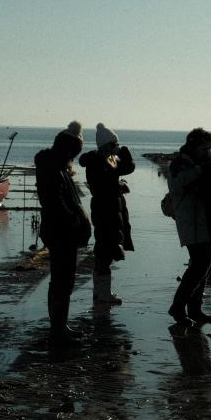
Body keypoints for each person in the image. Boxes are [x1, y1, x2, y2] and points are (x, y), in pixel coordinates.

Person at [166, 129, 211, 325]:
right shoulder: (180, 163)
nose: (207, 152)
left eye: (209, 148)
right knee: (200, 264)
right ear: (192, 146)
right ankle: (178, 307)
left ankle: (195, 310)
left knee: (207, 265)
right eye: (203, 148)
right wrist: (201, 170)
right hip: (195, 220)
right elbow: (176, 186)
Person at [34, 121, 91, 343]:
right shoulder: (54, 169)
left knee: (62, 280)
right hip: (61, 231)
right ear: (69, 149)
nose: (75, 157)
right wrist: (75, 219)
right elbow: (54, 202)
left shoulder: (55, 166)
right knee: (62, 280)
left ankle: (59, 327)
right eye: (75, 152)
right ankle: (58, 330)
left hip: (59, 230)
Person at [78, 123, 135, 306]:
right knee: (105, 250)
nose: (115, 149)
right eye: (113, 145)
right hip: (105, 210)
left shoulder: (107, 160)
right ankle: (102, 295)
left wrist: (117, 181)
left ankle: (102, 294)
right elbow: (109, 180)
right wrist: (117, 183)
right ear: (106, 145)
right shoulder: (98, 161)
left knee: (107, 251)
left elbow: (122, 170)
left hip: (109, 208)